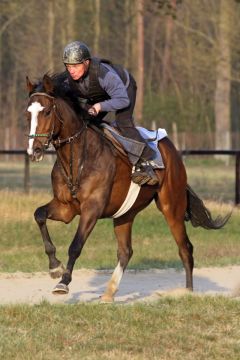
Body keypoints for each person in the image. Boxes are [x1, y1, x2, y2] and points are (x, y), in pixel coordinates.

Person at [62, 41, 158, 186]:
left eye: (75, 66)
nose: (71, 70)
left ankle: (147, 162)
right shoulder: (68, 78)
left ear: (87, 63)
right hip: (100, 93)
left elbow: (123, 100)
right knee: (85, 120)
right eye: (68, 66)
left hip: (124, 91)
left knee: (123, 123)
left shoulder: (105, 75)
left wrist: (100, 106)